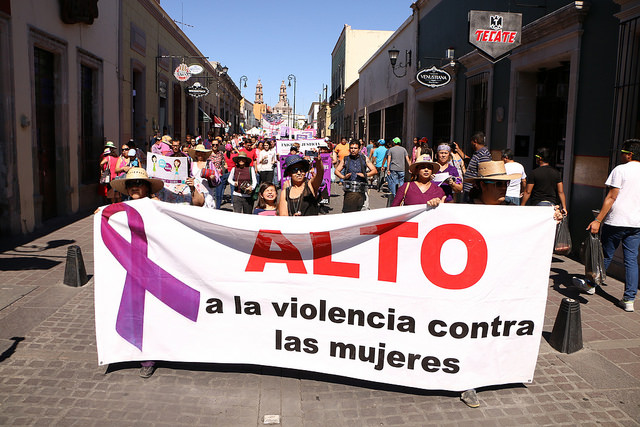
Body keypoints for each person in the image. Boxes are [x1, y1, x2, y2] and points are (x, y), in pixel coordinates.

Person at [574, 140, 640, 312]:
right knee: (631, 260)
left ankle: (590, 285)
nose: (620, 155)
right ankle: (629, 299)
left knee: (604, 255)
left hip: (617, 221)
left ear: (629, 154)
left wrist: (598, 220)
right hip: (636, 224)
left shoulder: (621, 170)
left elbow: (611, 196)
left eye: (622, 152)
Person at [520, 147, 567, 215]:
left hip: (537, 205)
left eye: (536, 157)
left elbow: (528, 192)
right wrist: (564, 207)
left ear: (540, 158)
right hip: (552, 206)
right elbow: (561, 192)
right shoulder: (556, 173)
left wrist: (522, 206)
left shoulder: (534, 173)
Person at [335, 141, 377, 213]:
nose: (353, 150)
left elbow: (374, 170)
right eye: (351, 148)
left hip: (362, 189)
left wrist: (365, 175)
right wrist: (344, 177)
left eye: (355, 148)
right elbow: (336, 171)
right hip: (349, 190)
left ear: (359, 149)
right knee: (348, 212)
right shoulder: (346, 159)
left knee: (363, 212)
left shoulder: (364, 158)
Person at [462, 132, 491, 203]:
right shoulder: (477, 153)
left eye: (471, 141)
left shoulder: (483, 154)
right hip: (469, 190)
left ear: (475, 141)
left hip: (474, 191)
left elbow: (484, 173)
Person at [188, 144, 218, 209]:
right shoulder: (192, 164)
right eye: (198, 152)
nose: (200, 154)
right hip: (195, 192)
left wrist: (212, 178)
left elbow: (217, 179)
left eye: (202, 152)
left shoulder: (209, 164)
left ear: (205, 154)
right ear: (196, 154)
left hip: (208, 192)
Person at [386, 137, 411, 202]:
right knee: (401, 182)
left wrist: (388, 169)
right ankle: (402, 195)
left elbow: (388, 160)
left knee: (393, 182)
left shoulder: (391, 149)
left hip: (393, 168)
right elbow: (407, 159)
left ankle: (394, 196)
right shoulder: (403, 149)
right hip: (401, 168)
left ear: (394, 142)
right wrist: (410, 167)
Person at [208, 140, 227, 209]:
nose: (215, 146)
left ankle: (218, 208)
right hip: (211, 176)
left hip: (219, 175)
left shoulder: (221, 153)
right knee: (211, 193)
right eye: (213, 145)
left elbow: (224, 161)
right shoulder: (208, 153)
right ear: (211, 145)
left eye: (216, 145)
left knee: (219, 194)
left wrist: (225, 166)